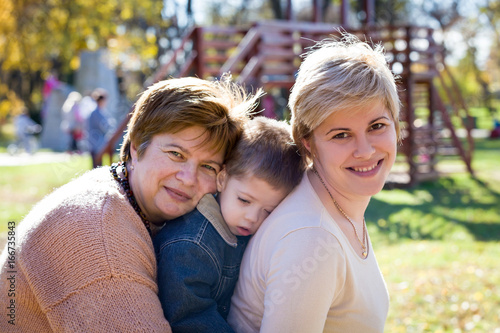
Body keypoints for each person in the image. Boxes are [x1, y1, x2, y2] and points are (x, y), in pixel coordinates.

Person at [0, 76, 261, 332]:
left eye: (207, 167)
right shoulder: (97, 235)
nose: (188, 179)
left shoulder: (133, 200)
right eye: (176, 154)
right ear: (136, 147)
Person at [228, 33, 401, 333]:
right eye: (341, 134)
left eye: (377, 126)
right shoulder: (311, 239)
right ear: (307, 143)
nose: (365, 150)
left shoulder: (337, 204)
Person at [153, 116, 304, 332]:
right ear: (222, 179)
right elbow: (190, 317)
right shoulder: (192, 245)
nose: (252, 217)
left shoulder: (239, 224)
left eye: (268, 211)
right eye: (244, 200)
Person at [87, 88, 112, 168]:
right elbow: (104, 127)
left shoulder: (101, 112)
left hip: (99, 143)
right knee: (97, 167)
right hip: (96, 144)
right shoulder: (96, 113)